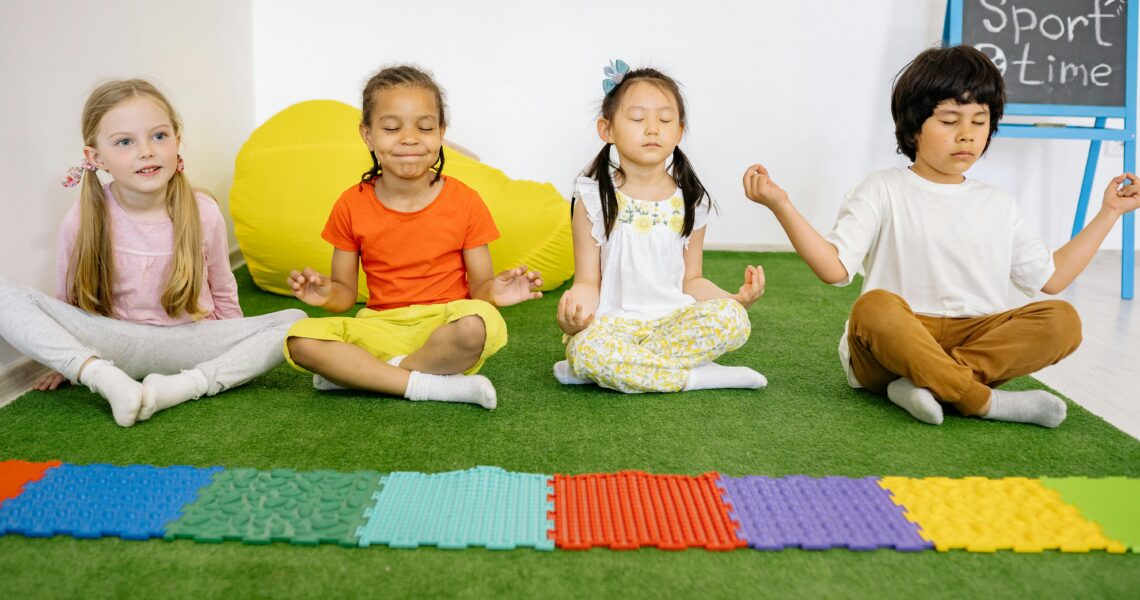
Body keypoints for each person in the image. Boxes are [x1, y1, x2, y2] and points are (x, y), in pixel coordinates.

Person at [742, 45, 1139, 427]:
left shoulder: (999, 203)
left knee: (1063, 321)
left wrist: (1109, 213)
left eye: (979, 121)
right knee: (874, 308)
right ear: (913, 128)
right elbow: (834, 269)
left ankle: (924, 384)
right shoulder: (881, 188)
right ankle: (981, 401)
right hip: (895, 344)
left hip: (974, 336)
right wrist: (782, 205)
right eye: (950, 121)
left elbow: (1052, 279)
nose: (966, 134)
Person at [0, 78, 305, 427]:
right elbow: (68, 300)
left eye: (159, 136)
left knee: (295, 320)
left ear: (177, 140)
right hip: (113, 344)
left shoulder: (202, 211)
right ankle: (103, 378)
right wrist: (67, 362)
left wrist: (233, 343)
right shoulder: (85, 217)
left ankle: (180, 387)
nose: (146, 151)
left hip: (188, 344)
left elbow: (223, 288)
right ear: (96, 157)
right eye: (125, 142)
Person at [284, 65, 542, 410]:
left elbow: (481, 290)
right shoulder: (350, 204)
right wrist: (326, 292)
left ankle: (369, 375)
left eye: (424, 127)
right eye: (391, 128)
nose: (409, 138)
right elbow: (344, 296)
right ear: (368, 135)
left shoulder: (466, 201)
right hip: (380, 326)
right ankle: (436, 385)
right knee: (299, 340)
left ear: (441, 133)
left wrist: (495, 291)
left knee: (477, 325)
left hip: (445, 328)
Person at [553, 61, 767, 393]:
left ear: (679, 131)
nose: (653, 128)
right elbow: (586, 281)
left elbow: (691, 280)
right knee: (585, 348)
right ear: (606, 129)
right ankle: (697, 377)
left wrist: (734, 298)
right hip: (615, 326)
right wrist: (575, 316)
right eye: (638, 119)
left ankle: (618, 368)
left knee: (734, 320)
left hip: (672, 322)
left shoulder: (692, 201)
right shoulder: (593, 198)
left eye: (665, 120)